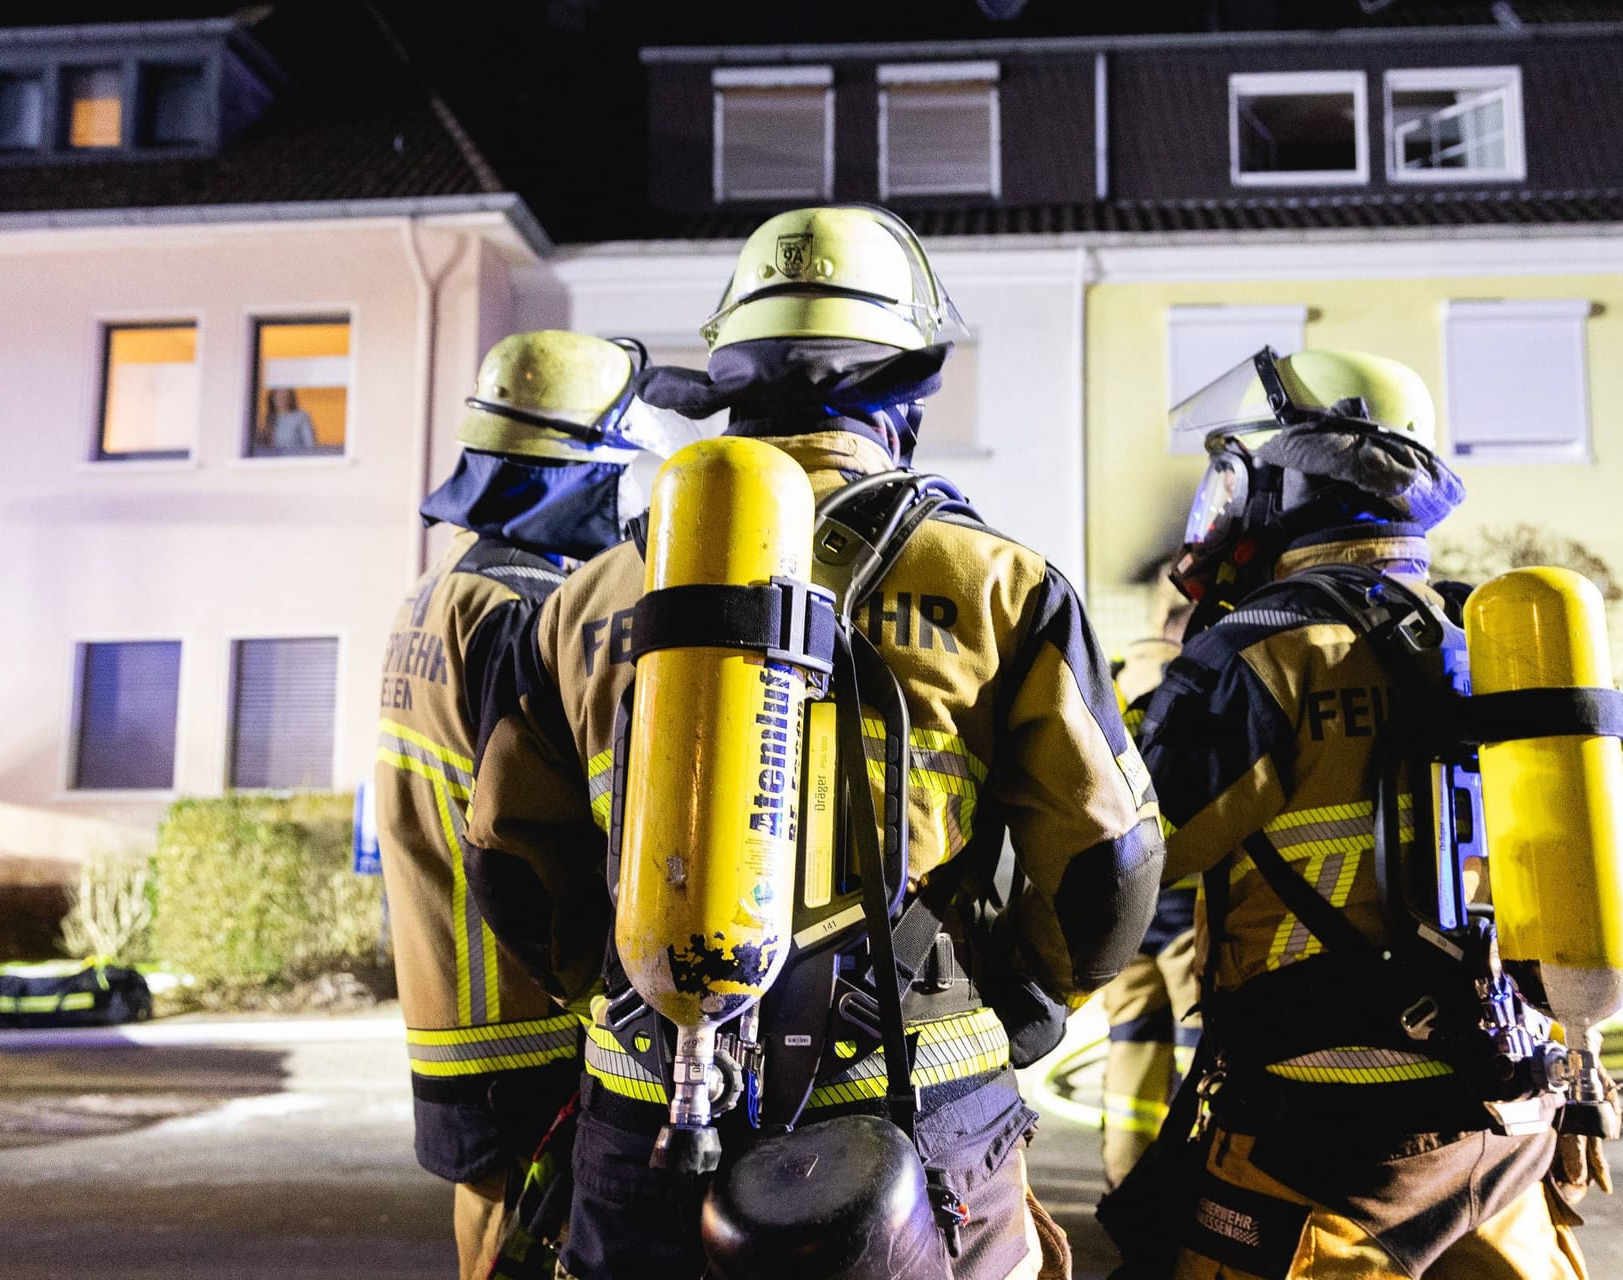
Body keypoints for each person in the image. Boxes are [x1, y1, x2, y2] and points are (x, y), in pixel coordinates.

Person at [459, 204, 1164, 1280]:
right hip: (913, 1113)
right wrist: (1014, 1009)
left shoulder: (584, 597)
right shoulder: (998, 585)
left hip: (643, 1118)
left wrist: (630, 986)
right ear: (907, 393)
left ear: (731, 384)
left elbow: (505, 847)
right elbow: (1111, 853)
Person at [1137, 347, 1596, 1279]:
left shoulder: (1256, 654)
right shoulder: (1490, 642)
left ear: (1289, 479)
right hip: (1509, 1133)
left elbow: (1121, 861)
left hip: (1323, 1156)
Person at [375, 329, 683, 1280]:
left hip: (451, 1007)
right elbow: (545, 815)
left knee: (485, 1240)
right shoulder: (521, 608)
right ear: (584, 476)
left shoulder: (443, 589)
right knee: (530, 1249)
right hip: (527, 1010)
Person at [1101, 613, 1201, 1188]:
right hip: (1191, 908)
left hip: (1124, 912)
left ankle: (1126, 1183)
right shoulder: (1202, 683)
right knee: (1198, 1054)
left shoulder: (1109, 686)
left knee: (1131, 1052)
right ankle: (1193, 1190)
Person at [261, 386, 317, 453]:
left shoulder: (300, 416)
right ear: (272, 396)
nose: (281, 398)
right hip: (272, 460)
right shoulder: (266, 419)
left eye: (285, 394)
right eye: (278, 394)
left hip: (295, 459)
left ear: (290, 397)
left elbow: (310, 444)